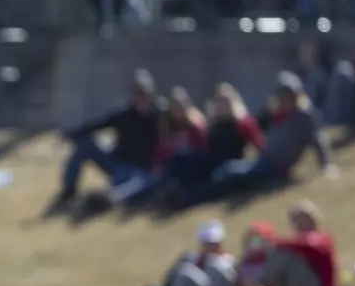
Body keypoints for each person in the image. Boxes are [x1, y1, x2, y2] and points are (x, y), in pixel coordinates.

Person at [182, 72, 334, 204]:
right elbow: (257, 127)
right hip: (264, 161)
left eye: (287, 95)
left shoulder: (302, 116)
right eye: (281, 95)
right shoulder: (275, 114)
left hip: (277, 167)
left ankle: (191, 198)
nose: (283, 99)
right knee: (226, 170)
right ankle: (189, 194)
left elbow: (317, 140)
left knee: (231, 172)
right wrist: (268, 111)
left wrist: (326, 165)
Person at [52, 69, 162, 209]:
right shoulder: (123, 116)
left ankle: (108, 199)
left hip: (140, 169)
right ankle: (69, 191)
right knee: (85, 143)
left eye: (143, 93)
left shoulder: (159, 116)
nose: (140, 97)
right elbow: (96, 125)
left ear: (151, 94)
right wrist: (69, 134)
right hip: (116, 163)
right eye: (137, 92)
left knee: (140, 182)